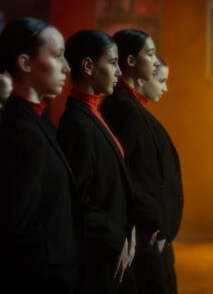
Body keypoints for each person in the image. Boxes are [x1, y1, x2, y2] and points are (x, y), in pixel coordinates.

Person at [0, 18, 84, 294]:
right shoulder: (22, 131)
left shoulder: (36, 121)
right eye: (57, 56)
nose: (66, 67)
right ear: (26, 63)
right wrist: (57, 271)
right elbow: (19, 224)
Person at [57, 30, 138, 294]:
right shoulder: (76, 123)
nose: (118, 72)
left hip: (113, 249)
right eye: (112, 63)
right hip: (100, 258)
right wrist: (116, 238)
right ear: (88, 66)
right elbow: (76, 199)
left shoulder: (92, 113)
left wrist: (129, 231)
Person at [100, 28, 168, 294]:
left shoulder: (130, 103)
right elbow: (123, 171)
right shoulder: (123, 105)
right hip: (137, 228)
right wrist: (146, 218)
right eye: (150, 54)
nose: (154, 60)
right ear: (129, 61)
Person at [138, 56, 183, 294]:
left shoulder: (140, 114)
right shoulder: (129, 114)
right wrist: (157, 224)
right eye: (161, 80)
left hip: (158, 235)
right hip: (151, 236)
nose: (165, 87)